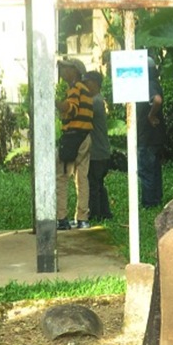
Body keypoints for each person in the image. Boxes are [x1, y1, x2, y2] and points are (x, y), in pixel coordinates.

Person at [55, 59, 94, 230]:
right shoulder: (86, 90)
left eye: (65, 68)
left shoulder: (75, 88)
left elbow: (71, 109)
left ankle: (62, 218)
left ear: (75, 71)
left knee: (62, 177)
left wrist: (56, 103)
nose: (62, 71)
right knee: (82, 178)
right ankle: (82, 218)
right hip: (85, 137)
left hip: (72, 138)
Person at [84, 70, 112, 224]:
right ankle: (105, 212)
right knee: (99, 184)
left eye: (87, 82)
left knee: (93, 184)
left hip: (97, 152)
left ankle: (95, 213)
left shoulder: (94, 102)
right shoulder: (98, 100)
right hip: (102, 151)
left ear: (94, 83)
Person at [135, 62, 163, 209]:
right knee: (154, 169)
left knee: (146, 170)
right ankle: (156, 198)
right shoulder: (154, 82)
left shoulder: (149, 84)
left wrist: (151, 115)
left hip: (147, 136)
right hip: (154, 136)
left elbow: (157, 100)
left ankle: (149, 202)